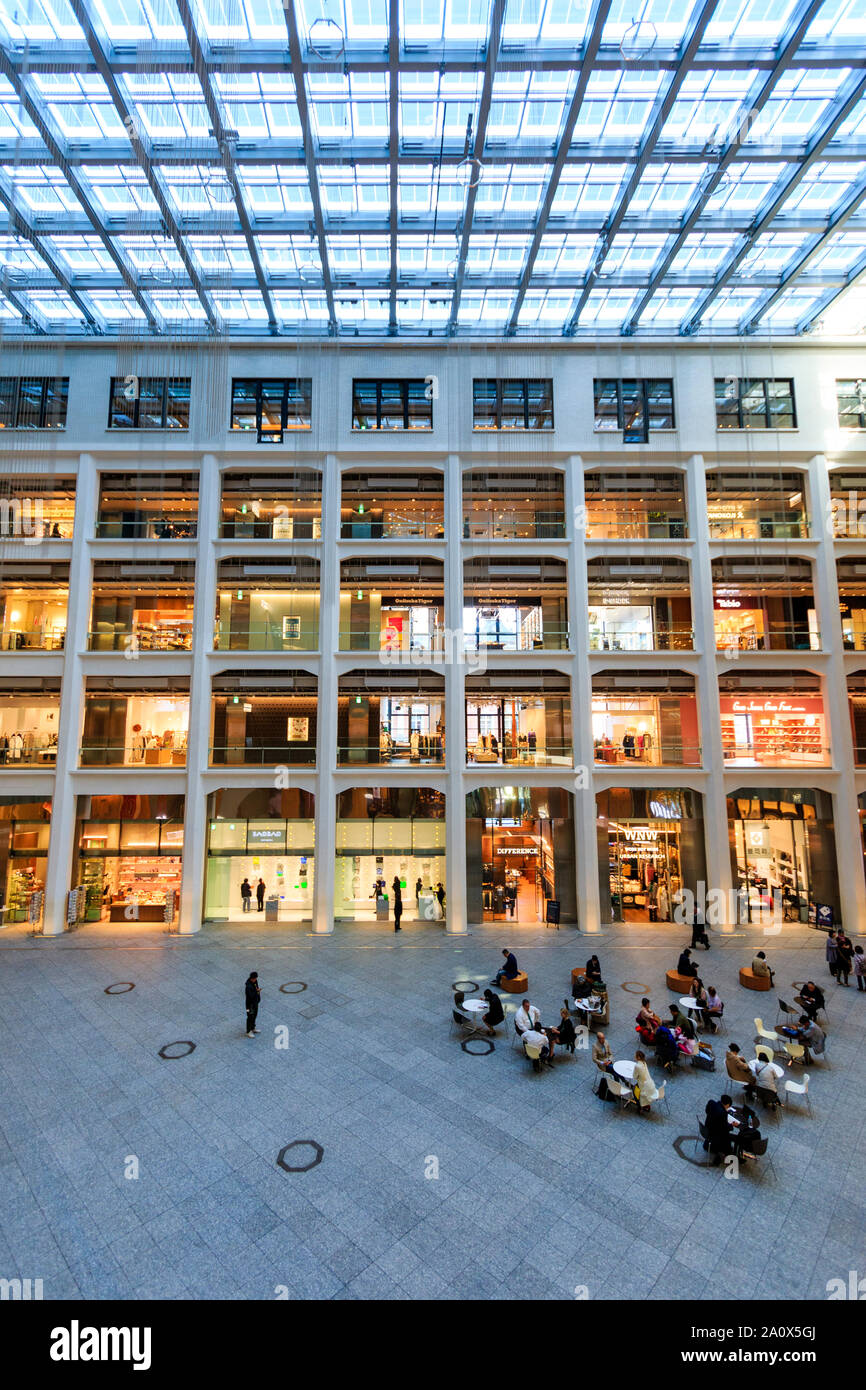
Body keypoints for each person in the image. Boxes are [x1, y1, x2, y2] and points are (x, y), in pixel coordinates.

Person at [703, 1095, 734, 1163]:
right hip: (712, 1134)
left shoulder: (711, 1103)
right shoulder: (723, 1113)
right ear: (727, 1104)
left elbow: (707, 1111)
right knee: (727, 1136)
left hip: (705, 1128)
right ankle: (727, 1154)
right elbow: (725, 1128)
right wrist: (731, 1125)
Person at [245, 971, 260, 1038]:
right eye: (255, 978)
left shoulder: (255, 982)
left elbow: (256, 989)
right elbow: (250, 996)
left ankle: (253, 1028)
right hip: (249, 1005)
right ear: (252, 978)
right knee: (250, 1017)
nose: (256, 980)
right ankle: (248, 1031)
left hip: (255, 1003)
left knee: (254, 1015)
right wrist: (257, 991)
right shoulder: (248, 986)